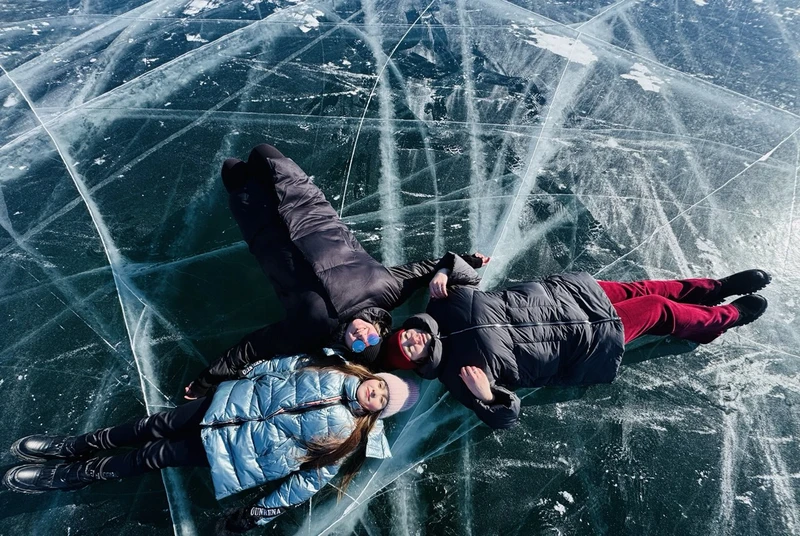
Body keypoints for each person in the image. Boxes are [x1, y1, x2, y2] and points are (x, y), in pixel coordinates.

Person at [184, 144, 485, 399]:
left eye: (358, 344)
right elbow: (425, 270)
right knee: (262, 152)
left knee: (231, 169)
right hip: (306, 205)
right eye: (370, 339)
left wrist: (208, 379)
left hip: (262, 228)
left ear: (346, 347)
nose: (362, 335)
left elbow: (253, 348)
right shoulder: (386, 290)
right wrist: (466, 261)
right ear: (381, 333)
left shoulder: (311, 331)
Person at [3, 353, 420, 532]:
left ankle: (78, 474)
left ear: (379, 412)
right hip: (223, 405)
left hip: (232, 452)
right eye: (382, 386)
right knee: (150, 425)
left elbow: (304, 483)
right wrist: (250, 372)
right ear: (375, 377)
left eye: (384, 401)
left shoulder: (348, 438)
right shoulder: (334, 367)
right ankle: (77, 445)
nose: (377, 393)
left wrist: (256, 515)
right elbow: (287, 364)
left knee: (154, 455)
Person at [377, 253, 770, 429]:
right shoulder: (457, 375)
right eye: (409, 348)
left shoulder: (441, 304)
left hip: (567, 297)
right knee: (655, 309)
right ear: (417, 363)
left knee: (645, 289)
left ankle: (715, 288)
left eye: (404, 335)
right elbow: (505, 417)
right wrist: (488, 396)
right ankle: (727, 318)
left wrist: (445, 270)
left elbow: (465, 266)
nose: (411, 338)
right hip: (581, 340)